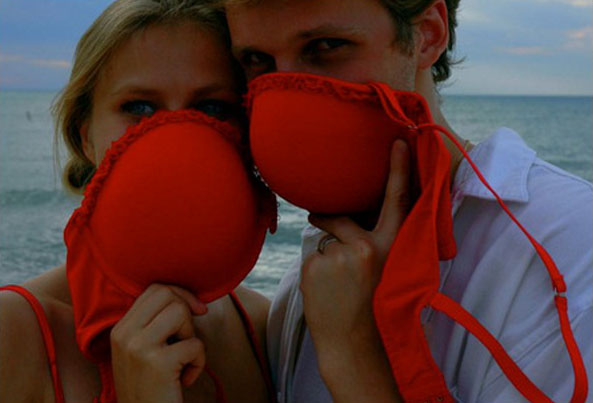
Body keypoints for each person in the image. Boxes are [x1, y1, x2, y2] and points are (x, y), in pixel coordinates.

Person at [224, 0, 593, 401]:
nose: (286, 91)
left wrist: (356, 358)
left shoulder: (567, 243)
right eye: (257, 61)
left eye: (325, 47)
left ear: (428, 35)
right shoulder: (315, 270)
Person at [0, 1, 275, 402]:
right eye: (140, 108)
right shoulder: (13, 331)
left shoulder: (264, 325)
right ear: (85, 137)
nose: (175, 137)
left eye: (212, 108)